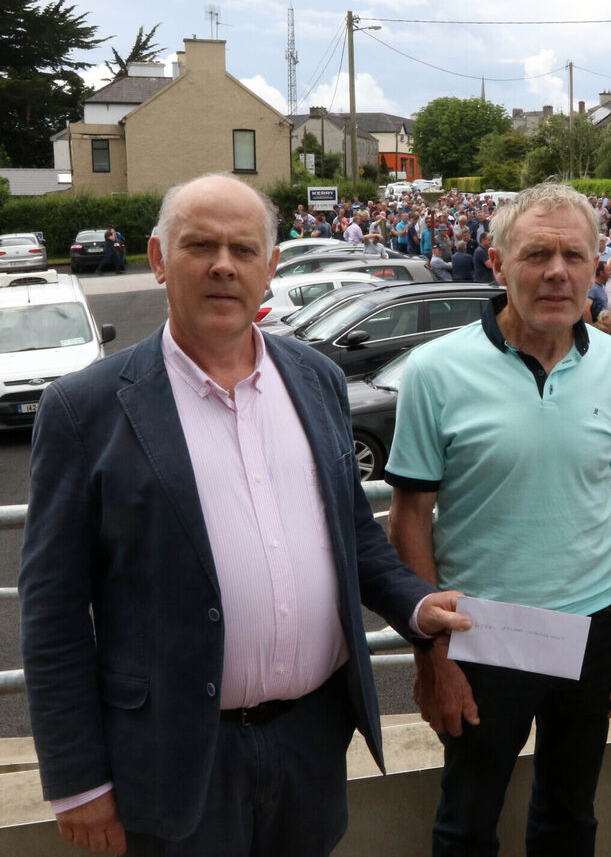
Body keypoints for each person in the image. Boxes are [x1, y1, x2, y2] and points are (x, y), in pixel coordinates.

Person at [19, 173, 470, 856]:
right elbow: (52, 611)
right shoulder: (85, 410)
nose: (223, 265)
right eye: (200, 245)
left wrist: (414, 606)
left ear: (270, 267)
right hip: (175, 756)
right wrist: (78, 781)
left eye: (242, 248)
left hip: (311, 740)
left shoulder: (314, 378)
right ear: (159, 259)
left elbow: (351, 534)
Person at [385, 182, 611, 856]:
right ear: (499, 263)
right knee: (467, 823)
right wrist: (432, 655)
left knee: (570, 816)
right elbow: (409, 516)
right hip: (486, 632)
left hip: (594, 625)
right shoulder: (434, 371)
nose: (557, 272)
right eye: (537, 254)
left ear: (599, 267)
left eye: (574, 255)